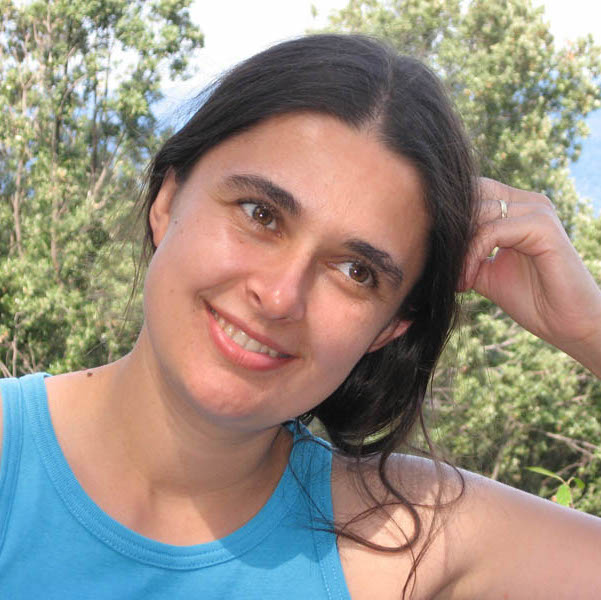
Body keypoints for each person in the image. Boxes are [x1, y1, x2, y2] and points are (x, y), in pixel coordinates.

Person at [1, 34, 600, 599]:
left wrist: (588, 329)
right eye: (260, 214)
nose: (281, 295)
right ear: (167, 199)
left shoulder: (405, 537)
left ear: (391, 326)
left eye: (356, 271)